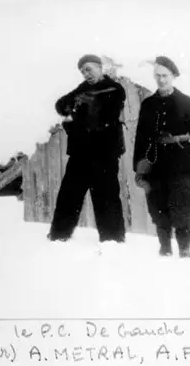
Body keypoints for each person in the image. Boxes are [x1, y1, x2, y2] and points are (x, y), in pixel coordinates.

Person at [48, 54, 127, 245]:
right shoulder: (83, 89)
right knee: (69, 195)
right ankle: (59, 236)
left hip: (104, 153)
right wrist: (75, 104)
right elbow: (60, 105)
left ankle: (113, 241)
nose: (86, 74)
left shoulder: (114, 90)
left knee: (106, 196)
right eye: (83, 71)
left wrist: (72, 123)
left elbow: (102, 121)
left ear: (100, 68)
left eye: (89, 69)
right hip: (80, 153)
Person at [133, 56, 190, 258]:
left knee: (181, 208)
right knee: (157, 206)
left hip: (181, 162)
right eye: (157, 76)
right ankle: (164, 248)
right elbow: (140, 137)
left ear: (173, 76)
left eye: (165, 76)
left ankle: (184, 249)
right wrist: (138, 170)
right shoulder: (148, 104)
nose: (161, 80)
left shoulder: (188, 103)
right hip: (155, 163)